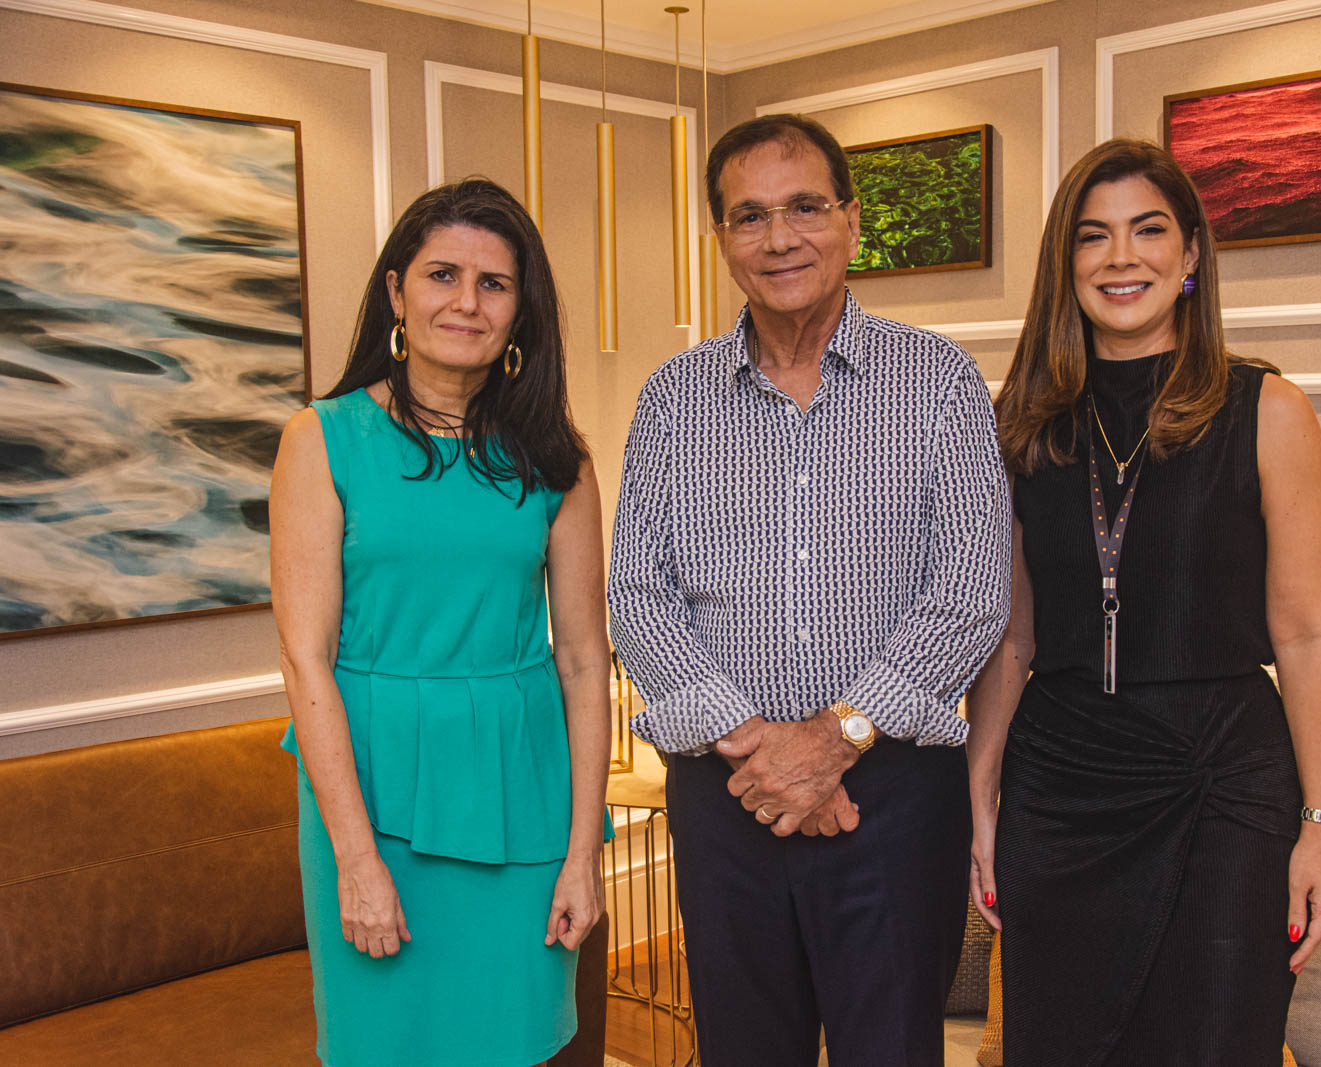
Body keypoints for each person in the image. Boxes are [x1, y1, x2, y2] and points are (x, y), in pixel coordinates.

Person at [607, 114, 1011, 1067]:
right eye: (749, 217)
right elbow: (637, 590)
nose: (779, 238)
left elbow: (970, 588)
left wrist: (835, 739)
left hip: (891, 797)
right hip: (727, 794)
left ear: (852, 221)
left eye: (805, 208)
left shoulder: (939, 381)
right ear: (721, 239)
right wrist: (759, 747)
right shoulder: (673, 397)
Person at [966, 138, 1321, 1065]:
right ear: (1066, 264)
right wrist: (978, 799)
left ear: (1190, 256)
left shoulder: (1269, 409)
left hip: (1225, 789)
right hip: (1059, 788)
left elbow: (1307, 632)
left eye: (1148, 230)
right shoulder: (1021, 422)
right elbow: (1011, 637)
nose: (1120, 257)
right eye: (1092, 236)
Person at [270, 177, 611, 1067]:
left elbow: (583, 661)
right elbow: (306, 659)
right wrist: (355, 858)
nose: (466, 302)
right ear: (397, 290)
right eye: (441, 274)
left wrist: (583, 852)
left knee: (520, 1043)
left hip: (522, 796)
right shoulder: (321, 439)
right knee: (384, 1046)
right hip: (370, 799)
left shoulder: (557, 460)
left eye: (494, 283)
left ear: (520, 310)